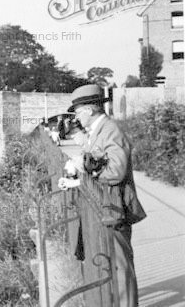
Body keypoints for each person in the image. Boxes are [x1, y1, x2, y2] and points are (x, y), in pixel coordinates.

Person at [58, 84, 146, 307]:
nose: (77, 118)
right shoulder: (100, 131)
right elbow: (99, 163)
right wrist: (78, 175)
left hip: (116, 208)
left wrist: (85, 169)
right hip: (107, 206)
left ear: (88, 110)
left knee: (121, 265)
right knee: (114, 263)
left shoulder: (110, 130)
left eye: (77, 112)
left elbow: (116, 172)